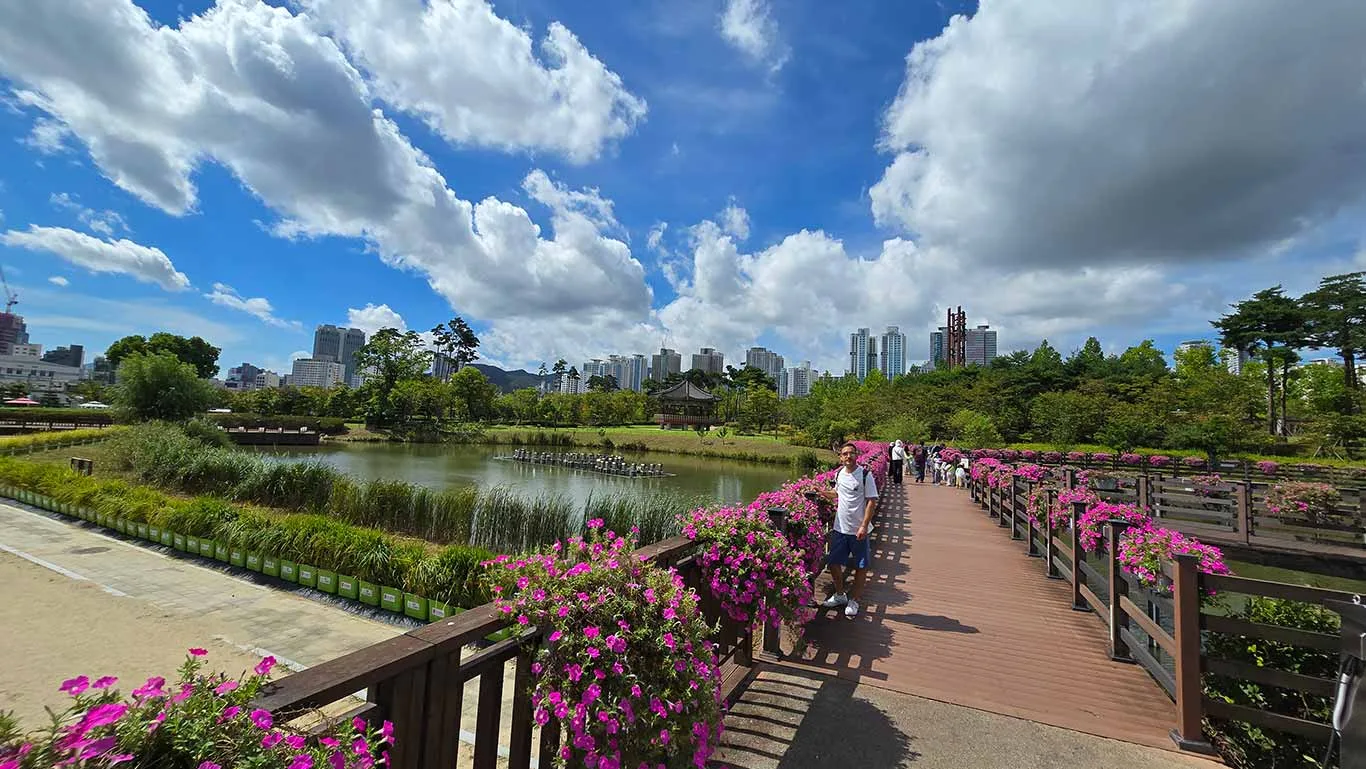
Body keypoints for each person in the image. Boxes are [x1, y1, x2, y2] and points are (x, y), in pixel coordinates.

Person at [819, 442, 879, 618]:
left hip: (858, 530)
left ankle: (854, 600)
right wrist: (822, 492)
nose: (848, 456)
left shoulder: (865, 475)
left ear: (856, 455)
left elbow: (871, 501)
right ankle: (839, 595)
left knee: (861, 566)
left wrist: (863, 526)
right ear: (840, 457)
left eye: (851, 453)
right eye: (844, 454)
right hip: (840, 528)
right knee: (833, 562)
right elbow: (837, 493)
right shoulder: (839, 474)